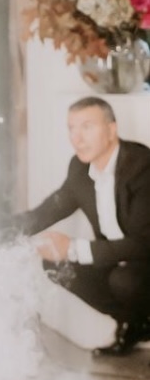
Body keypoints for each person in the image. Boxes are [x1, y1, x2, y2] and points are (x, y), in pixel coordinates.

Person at [14, 96, 150, 357]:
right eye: (71, 128)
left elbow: (144, 244)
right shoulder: (79, 167)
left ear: (111, 130)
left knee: (124, 280)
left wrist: (73, 248)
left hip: (144, 262)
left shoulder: (142, 165)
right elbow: (46, 212)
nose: (77, 138)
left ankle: (142, 319)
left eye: (87, 127)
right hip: (115, 261)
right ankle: (136, 323)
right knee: (55, 265)